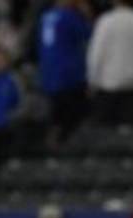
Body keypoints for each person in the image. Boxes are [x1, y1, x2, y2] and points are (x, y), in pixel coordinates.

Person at [37, 0, 93, 146]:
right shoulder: (69, 16)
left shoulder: (46, 17)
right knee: (73, 121)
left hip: (50, 77)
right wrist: (86, 15)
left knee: (57, 118)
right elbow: (90, 35)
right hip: (69, 76)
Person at [86, 0, 133, 124]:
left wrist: (92, 82)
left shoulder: (106, 22)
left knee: (106, 131)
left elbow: (96, 55)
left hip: (110, 87)